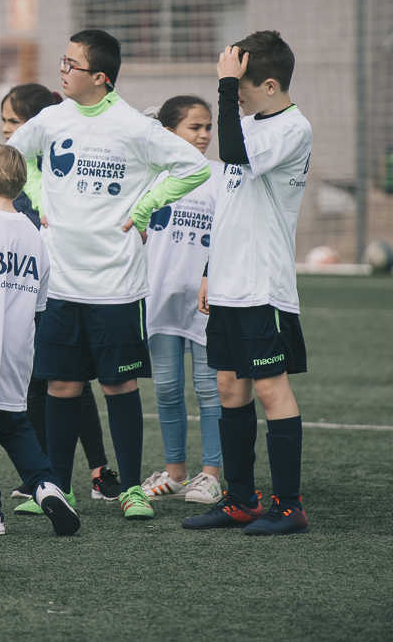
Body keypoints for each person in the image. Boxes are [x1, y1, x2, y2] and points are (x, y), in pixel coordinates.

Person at [6, 29, 211, 523]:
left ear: (99, 77)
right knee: (61, 387)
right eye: (63, 60)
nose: (62, 70)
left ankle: (132, 489)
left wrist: (145, 208)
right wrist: (36, 195)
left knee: (119, 388)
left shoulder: (133, 126)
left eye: (71, 64)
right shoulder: (51, 118)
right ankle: (53, 487)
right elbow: (11, 157)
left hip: (117, 284)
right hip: (58, 282)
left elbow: (193, 167)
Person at [183, 31, 311, 536]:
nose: (235, 96)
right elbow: (231, 208)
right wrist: (212, 269)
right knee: (228, 387)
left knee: (270, 388)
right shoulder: (252, 121)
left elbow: (234, 153)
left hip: (264, 286)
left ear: (272, 85)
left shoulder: (293, 128)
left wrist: (223, 86)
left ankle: (289, 505)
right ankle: (239, 499)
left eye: (242, 88)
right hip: (231, 284)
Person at [0, 83, 120, 505]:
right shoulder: (13, 176)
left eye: (13, 123)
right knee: (47, 383)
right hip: (25, 292)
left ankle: (91, 472)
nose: (6, 133)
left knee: (62, 382)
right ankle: (55, 473)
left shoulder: (56, 171)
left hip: (64, 289)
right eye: (3, 123)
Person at [0, 142, 80, 538]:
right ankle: (45, 485)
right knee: (14, 424)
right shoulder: (31, 232)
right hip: (18, 348)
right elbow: (41, 298)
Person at [138, 96, 224, 505]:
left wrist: (212, 273)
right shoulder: (150, 176)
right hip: (158, 297)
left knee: (209, 388)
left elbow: (231, 236)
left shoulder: (221, 177)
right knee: (168, 389)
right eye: (195, 127)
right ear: (169, 132)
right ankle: (174, 473)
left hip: (206, 301)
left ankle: (210, 475)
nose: (205, 135)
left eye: (208, 127)